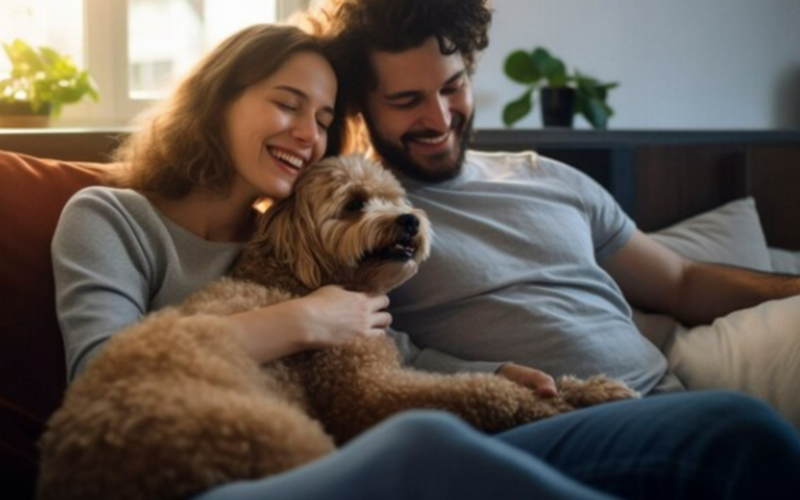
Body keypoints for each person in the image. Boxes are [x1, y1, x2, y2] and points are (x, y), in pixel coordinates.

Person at [49, 20, 800, 500]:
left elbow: (388, 355)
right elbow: (101, 371)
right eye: (286, 104)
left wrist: (489, 377)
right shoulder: (114, 216)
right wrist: (303, 319)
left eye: (319, 119)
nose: (307, 135)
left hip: (360, 444)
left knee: (735, 429)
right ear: (216, 101)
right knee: (426, 441)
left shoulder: (301, 233)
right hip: (227, 461)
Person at [300, 0, 800, 426]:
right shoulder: (361, 219)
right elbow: (356, 351)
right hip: (550, 425)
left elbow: (682, 281)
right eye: (407, 100)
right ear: (361, 108)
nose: (439, 117)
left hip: (670, 404)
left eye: (452, 87)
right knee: (745, 424)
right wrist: (479, 378)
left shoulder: (548, 177)